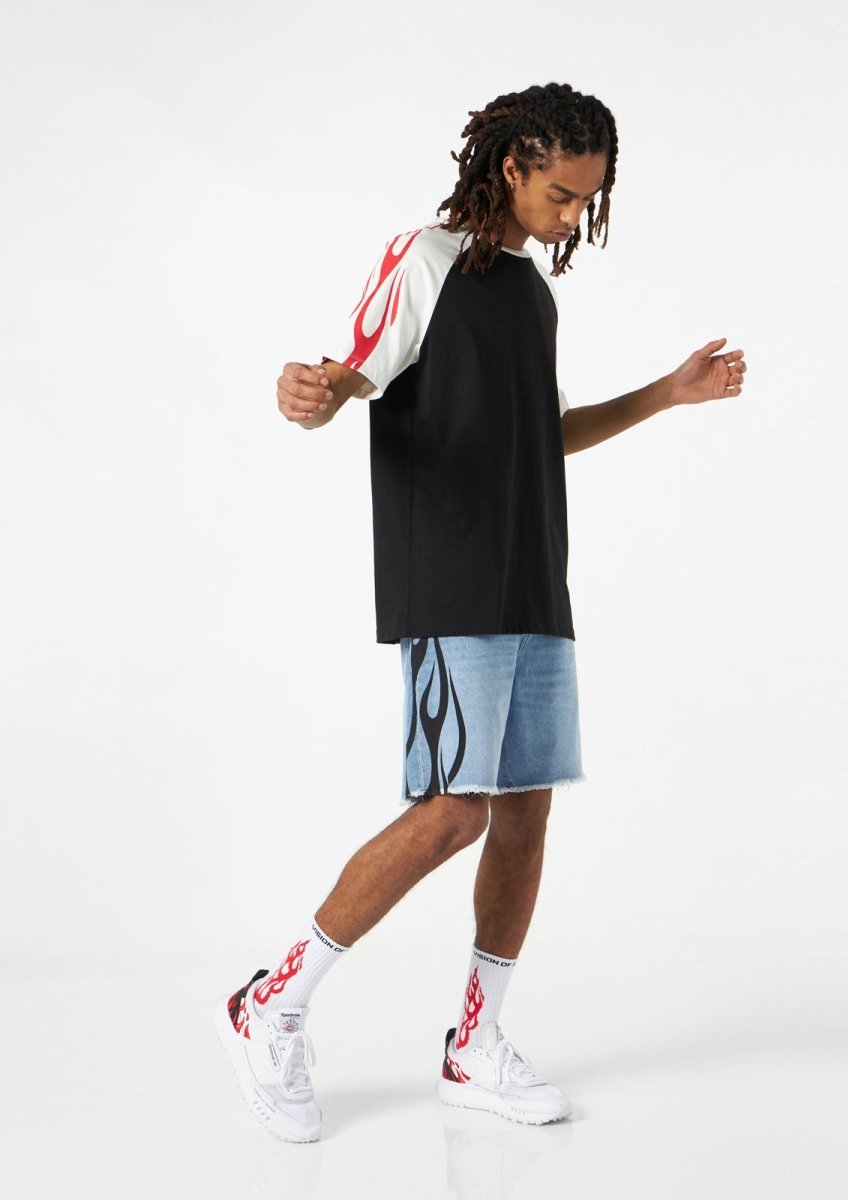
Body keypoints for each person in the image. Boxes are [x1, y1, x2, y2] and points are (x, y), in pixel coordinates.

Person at [214, 81, 747, 1143]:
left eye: (587, 200)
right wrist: (310, 395)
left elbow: (547, 432)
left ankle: (475, 1043)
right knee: (453, 810)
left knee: (527, 810)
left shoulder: (533, 295)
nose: (572, 217)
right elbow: (350, 373)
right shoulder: (426, 258)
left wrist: (666, 393)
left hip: (534, 579)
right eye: (562, 195)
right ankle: (271, 1001)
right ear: (512, 166)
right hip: (451, 576)